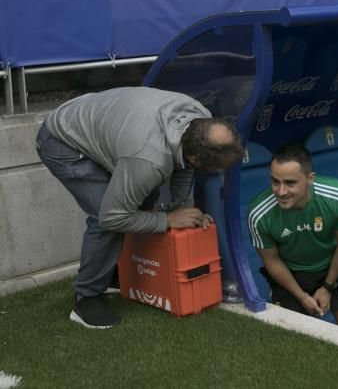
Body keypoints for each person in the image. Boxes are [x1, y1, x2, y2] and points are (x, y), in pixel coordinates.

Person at [36, 87, 243, 328]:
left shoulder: (200, 119)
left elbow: (185, 165)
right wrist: (167, 220)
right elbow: (112, 218)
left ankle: (113, 269)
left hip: (102, 123)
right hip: (63, 141)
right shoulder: (148, 159)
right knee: (104, 218)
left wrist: (186, 212)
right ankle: (87, 299)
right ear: (198, 156)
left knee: (140, 196)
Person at [248, 144, 338, 332]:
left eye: (290, 183)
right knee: (293, 344)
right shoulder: (259, 213)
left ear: (309, 179)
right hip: (291, 276)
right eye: (275, 182)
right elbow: (272, 261)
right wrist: (302, 297)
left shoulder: (337, 196)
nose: (281, 191)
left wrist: (327, 287)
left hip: (333, 267)